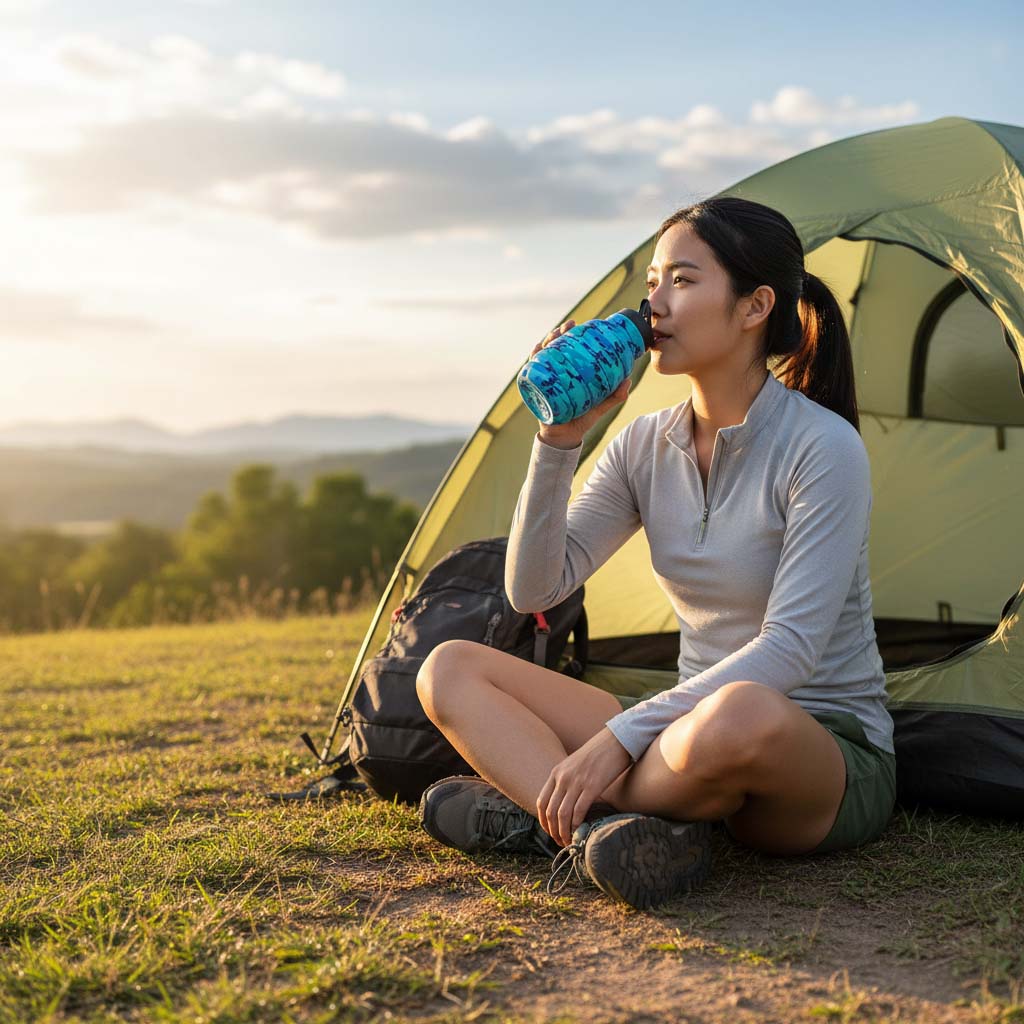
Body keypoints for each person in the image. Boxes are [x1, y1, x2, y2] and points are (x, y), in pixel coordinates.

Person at [414, 196, 896, 911]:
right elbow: (534, 590)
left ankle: (543, 813)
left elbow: (790, 650)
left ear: (754, 305)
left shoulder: (822, 448)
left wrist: (617, 737)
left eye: (683, 280)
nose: (654, 304)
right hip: (679, 738)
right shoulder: (644, 444)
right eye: (651, 283)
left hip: (814, 747)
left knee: (744, 712)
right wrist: (559, 442)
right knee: (448, 668)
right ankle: (611, 837)